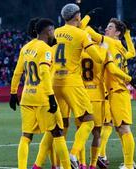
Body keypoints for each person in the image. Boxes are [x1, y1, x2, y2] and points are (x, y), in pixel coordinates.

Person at [50, 3, 106, 169]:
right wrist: (103, 48)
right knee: (88, 120)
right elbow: (98, 58)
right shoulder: (81, 34)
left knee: (61, 126)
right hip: (71, 82)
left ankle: (59, 165)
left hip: (54, 81)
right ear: (77, 16)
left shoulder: (55, 32)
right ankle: (73, 154)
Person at [9, 18, 70, 169]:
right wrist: (51, 97)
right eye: (53, 31)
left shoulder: (25, 48)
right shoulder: (45, 49)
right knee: (57, 132)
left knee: (26, 136)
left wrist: (12, 93)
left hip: (27, 97)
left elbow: (17, 73)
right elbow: (43, 72)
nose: (54, 34)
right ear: (48, 31)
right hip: (43, 97)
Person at [85, 18, 136, 169]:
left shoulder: (112, 43)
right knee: (119, 128)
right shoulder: (119, 47)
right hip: (116, 90)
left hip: (118, 90)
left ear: (117, 33)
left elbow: (88, 31)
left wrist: (83, 19)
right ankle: (129, 162)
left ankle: (128, 165)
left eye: (110, 28)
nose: (106, 30)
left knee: (123, 128)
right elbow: (131, 53)